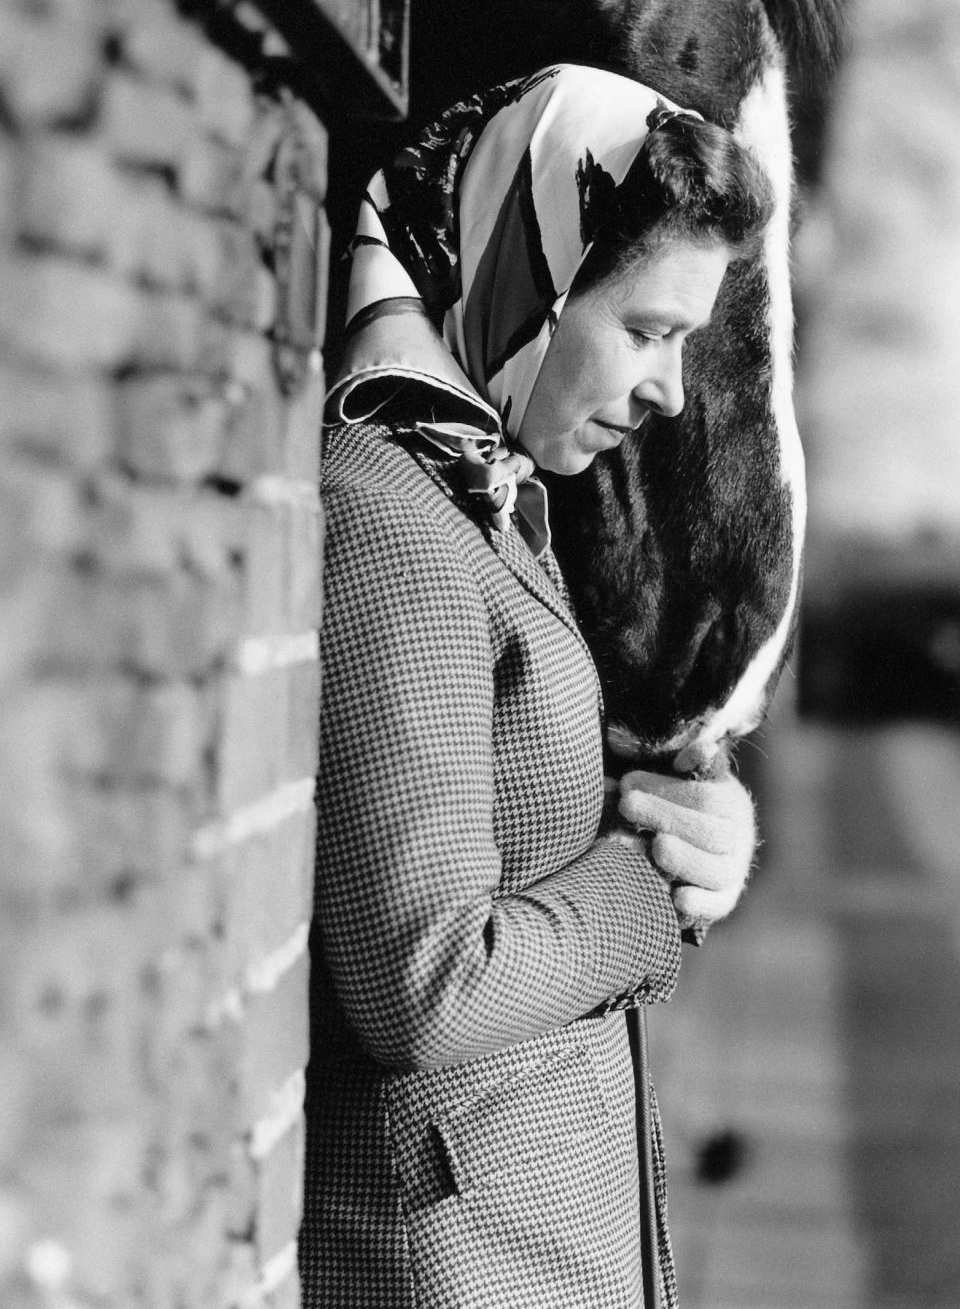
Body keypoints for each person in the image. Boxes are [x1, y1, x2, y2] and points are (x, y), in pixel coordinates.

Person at [299, 64, 774, 1308]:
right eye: (648, 331)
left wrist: (681, 828)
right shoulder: (389, 520)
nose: (670, 392)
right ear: (534, 276)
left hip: (523, 1238)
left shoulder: (476, 497)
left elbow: (493, 814)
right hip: (461, 1262)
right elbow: (425, 983)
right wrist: (651, 894)